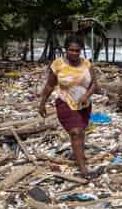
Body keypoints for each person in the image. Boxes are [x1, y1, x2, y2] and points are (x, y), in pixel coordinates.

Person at [39, 33, 96, 176]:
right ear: (66, 49)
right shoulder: (58, 64)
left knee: (81, 132)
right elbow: (49, 85)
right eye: (71, 50)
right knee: (75, 132)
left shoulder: (87, 64)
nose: (74, 53)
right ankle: (83, 168)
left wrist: (86, 95)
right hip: (65, 102)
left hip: (84, 105)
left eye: (77, 50)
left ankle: (80, 155)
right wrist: (42, 103)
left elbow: (94, 84)